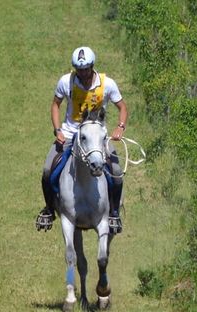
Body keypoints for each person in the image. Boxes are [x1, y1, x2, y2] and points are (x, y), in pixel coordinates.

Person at [35, 47, 128, 234]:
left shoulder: (107, 84)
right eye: (79, 69)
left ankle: (114, 213)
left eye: (86, 69)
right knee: (47, 170)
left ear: (92, 67)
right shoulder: (66, 82)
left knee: (116, 171)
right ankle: (49, 210)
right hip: (70, 133)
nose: (83, 73)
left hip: (96, 136)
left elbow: (122, 107)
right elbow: (55, 105)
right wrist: (57, 130)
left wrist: (120, 127)